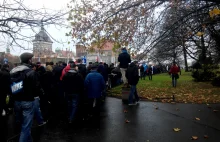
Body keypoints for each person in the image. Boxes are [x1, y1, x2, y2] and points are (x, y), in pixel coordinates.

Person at [10, 52, 43, 142]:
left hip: (16, 101)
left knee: (22, 124)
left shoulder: (12, 72)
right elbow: (37, 88)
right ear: (29, 60)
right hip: (28, 101)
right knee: (26, 126)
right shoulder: (31, 72)